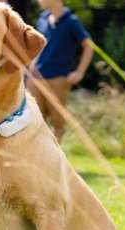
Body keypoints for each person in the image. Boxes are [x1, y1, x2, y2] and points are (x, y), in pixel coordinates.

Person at [29, 0, 94, 141]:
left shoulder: (71, 21)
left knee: (57, 124)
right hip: (35, 79)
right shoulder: (43, 19)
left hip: (57, 78)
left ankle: (52, 160)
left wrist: (79, 72)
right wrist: (31, 67)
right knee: (34, 123)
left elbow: (89, 46)